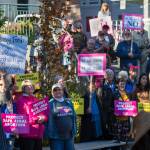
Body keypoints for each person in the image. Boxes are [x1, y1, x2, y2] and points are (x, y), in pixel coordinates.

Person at [16, 80, 47, 150]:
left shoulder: (36, 99)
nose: (30, 87)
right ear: (23, 88)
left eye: (31, 85)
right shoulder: (20, 101)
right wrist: (36, 120)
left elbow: (43, 113)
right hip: (27, 135)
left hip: (38, 134)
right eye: (27, 86)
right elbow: (21, 119)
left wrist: (44, 118)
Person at [47, 83, 76, 150]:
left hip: (69, 136)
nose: (57, 91)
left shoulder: (68, 102)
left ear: (62, 91)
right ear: (52, 92)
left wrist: (74, 130)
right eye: (55, 90)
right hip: (56, 137)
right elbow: (45, 117)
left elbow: (73, 117)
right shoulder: (49, 103)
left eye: (59, 89)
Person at [101, 69, 116, 139]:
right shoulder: (102, 86)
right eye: (108, 74)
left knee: (112, 123)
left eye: (111, 75)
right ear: (104, 76)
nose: (109, 76)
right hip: (105, 109)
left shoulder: (115, 85)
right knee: (105, 123)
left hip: (113, 108)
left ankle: (112, 135)